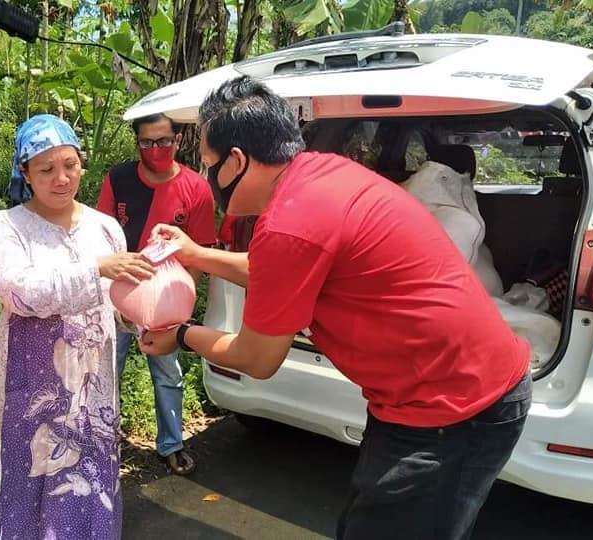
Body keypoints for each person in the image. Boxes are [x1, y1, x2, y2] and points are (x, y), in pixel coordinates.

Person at [140, 76, 532, 540]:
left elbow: (257, 358)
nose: (207, 178)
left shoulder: (291, 221)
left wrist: (180, 335)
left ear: (238, 161)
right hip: (441, 394)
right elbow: (282, 267)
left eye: (208, 164)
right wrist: (196, 253)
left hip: (453, 408)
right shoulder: (319, 174)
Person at [0, 114, 154, 539]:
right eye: (46, 169)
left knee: (90, 479)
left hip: (92, 382)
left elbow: (117, 301)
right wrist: (96, 268)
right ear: (24, 172)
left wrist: (142, 317)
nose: (61, 178)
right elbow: (18, 292)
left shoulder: (105, 227)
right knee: (30, 479)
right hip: (32, 386)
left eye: (70, 165)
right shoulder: (6, 227)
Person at [96, 113, 216, 475]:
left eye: (164, 141)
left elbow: (198, 253)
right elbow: (100, 238)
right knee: (105, 374)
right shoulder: (118, 180)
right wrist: (110, 298)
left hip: (166, 302)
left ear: (178, 140)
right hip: (118, 299)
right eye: (148, 142)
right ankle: (103, 444)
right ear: (138, 144)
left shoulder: (196, 188)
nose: (156, 149)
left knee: (168, 374)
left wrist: (182, 302)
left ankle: (171, 444)